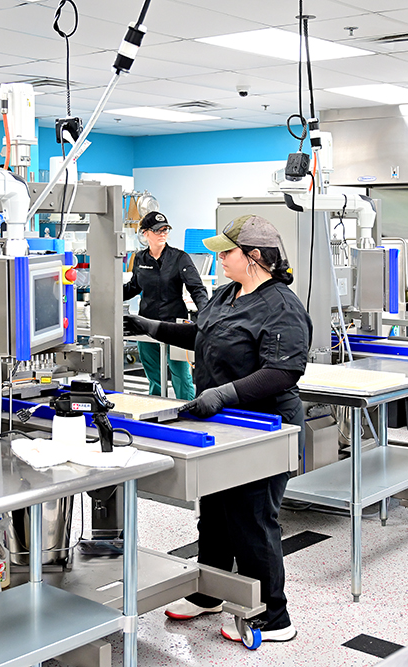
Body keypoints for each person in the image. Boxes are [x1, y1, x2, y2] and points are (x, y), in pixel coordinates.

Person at [125, 214, 312, 643]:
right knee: (213, 514)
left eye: (227, 252)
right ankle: (209, 592)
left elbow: (283, 372)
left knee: (251, 519)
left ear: (255, 256)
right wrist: (152, 328)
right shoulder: (228, 293)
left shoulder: (282, 306)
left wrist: (224, 394)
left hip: (265, 426)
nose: (220, 259)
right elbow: (202, 334)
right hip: (224, 424)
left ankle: (272, 615)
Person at [123, 211, 208, 401]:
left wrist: (207, 313)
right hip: (146, 325)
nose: (162, 234)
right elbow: (134, 287)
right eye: (157, 230)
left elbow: (197, 289)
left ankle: (188, 408)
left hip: (175, 325)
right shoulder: (140, 258)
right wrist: (107, 296)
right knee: (154, 376)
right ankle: (155, 407)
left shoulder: (179, 258)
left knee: (181, 375)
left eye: (165, 230)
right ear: (145, 233)